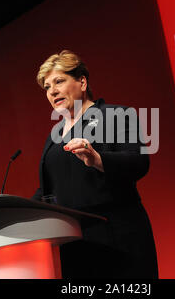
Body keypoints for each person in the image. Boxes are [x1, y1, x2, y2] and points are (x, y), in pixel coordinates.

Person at [31, 50, 158, 278]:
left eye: (59, 81)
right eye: (47, 87)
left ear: (82, 81)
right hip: (76, 245)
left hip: (118, 237)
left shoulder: (116, 115)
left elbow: (139, 162)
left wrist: (97, 159)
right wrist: (20, 211)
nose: (53, 91)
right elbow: (47, 190)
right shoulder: (54, 136)